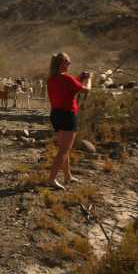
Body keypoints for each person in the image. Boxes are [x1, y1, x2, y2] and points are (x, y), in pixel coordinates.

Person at [46, 52, 91, 190]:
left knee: (64, 148)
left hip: (56, 115)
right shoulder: (67, 79)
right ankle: (51, 179)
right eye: (68, 62)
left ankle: (68, 176)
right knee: (64, 149)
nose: (70, 64)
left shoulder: (52, 79)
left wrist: (79, 78)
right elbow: (85, 90)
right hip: (67, 115)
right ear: (62, 63)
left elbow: (70, 85)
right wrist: (88, 79)